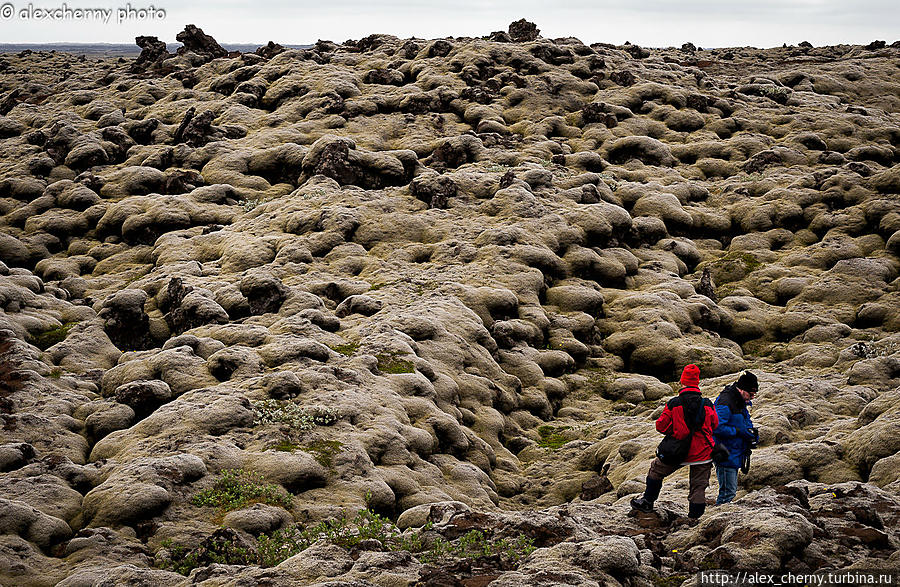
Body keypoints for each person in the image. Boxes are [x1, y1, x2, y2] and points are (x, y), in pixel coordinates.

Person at [631, 364, 719, 519]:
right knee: (698, 486)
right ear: (697, 382)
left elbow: (661, 425)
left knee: (656, 471)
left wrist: (675, 431)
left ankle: (647, 502)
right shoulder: (707, 404)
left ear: (682, 381)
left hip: (678, 451)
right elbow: (714, 424)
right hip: (703, 452)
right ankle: (694, 519)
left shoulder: (674, 403)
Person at [712, 371, 759, 504]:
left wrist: (751, 434)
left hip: (735, 453)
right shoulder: (725, 402)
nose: (753, 397)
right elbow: (716, 427)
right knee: (728, 493)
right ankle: (718, 518)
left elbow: (744, 421)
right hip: (726, 455)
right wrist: (738, 431)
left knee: (730, 491)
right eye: (751, 393)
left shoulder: (739, 400)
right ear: (742, 389)